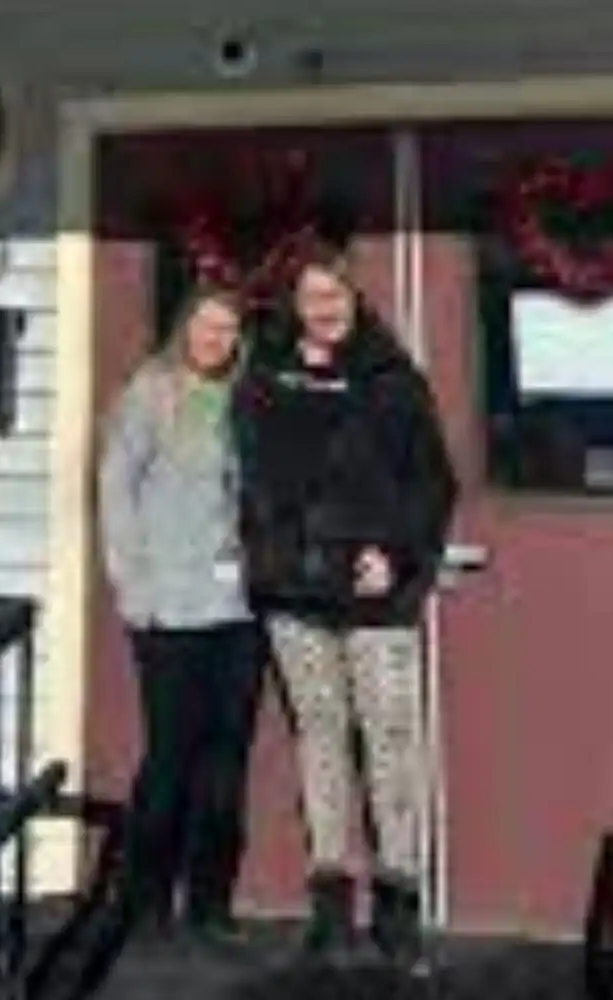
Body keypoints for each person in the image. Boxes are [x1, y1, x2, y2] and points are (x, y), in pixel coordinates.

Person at [233, 245, 458, 965]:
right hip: (296, 595)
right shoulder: (266, 377)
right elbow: (250, 478)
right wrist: (270, 551)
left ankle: (398, 902)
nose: (326, 309)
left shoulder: (392, 380)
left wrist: (396, 551)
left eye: (336, 295)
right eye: (312, 298)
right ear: (294, 306)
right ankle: (330, 904)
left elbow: (432, 483)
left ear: (354, 299)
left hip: (374, 598)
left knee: (390, 741)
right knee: (320, 739)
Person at [97, 283, 262, 949]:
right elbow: (115, 488)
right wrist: (132, 587)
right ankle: (144, 898)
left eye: (228, 330)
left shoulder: (244, 400)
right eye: (206, 326)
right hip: (167, 607)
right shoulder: (150, 393)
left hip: (236, 610)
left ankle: (210, 902)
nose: (216, 339)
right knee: (170, 754)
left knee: (227, 759)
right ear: (185, 328)